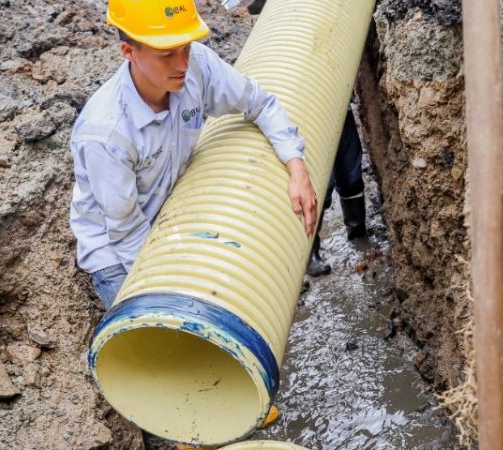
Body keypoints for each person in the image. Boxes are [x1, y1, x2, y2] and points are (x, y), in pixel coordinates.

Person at [69, 0, 317, 310]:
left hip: (170, 215)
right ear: (129, 52)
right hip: (117, 254)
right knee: (165, 343)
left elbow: (261, 104)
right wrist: (173, 289)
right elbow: (126, 231)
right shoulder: (106, 133)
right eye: (166, 55)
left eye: (185, 47)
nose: (182, 64)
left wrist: (296, 167)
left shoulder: (196, 65)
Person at [223, 0, 369, 278]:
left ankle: (357, 231)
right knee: (317, 180)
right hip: (295, 97)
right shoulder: (270, 25)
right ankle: (309, 251)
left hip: (329, 80)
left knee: (350, 166)